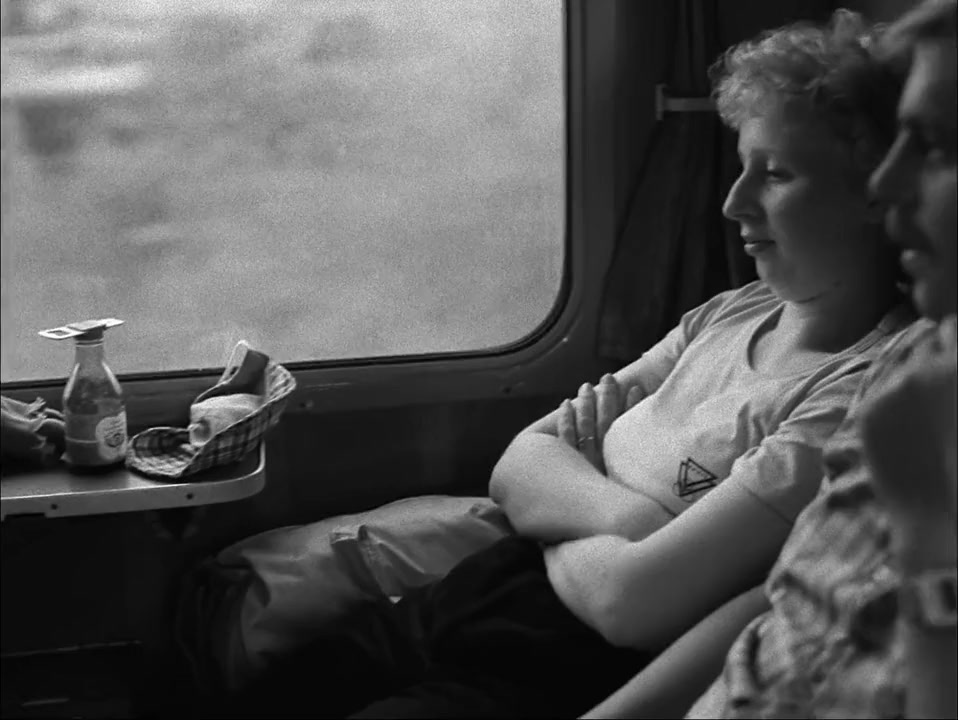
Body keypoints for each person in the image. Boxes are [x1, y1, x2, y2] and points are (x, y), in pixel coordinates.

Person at [208, 10, 914, 718]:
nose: (734, 204)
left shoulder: (856, 393)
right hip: (471, 593)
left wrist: (560, 505)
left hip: (549, 667)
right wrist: (636, 521)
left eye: (777, 174)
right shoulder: (729, 314)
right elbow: (519, 461)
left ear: (875, 194)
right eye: (742, 168)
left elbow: (628, 605)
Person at [585, 1, 957, 717]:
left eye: (935, 146)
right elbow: (779, 610)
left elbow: (633, 598)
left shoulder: (874, 377)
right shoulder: (913, 371)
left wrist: (571, 522)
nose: (887, 184)